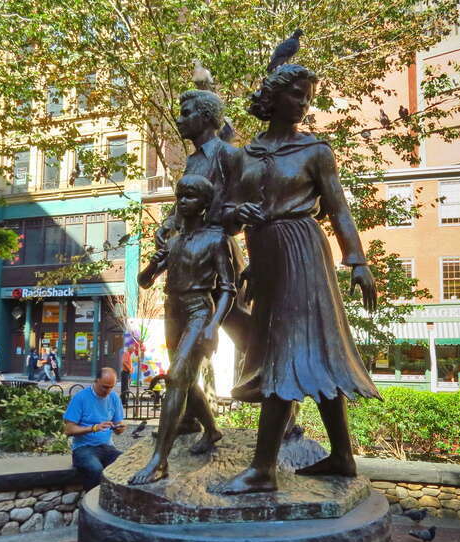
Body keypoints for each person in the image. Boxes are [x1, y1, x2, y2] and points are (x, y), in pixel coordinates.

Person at [217, 64, 379, 495]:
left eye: (308, 97)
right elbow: (226, 216)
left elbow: (339, 208)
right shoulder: (245, 155)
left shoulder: (315, 151)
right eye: (296, 94)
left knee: (287, 350)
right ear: (272, 98)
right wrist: (237, 214)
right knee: (311, 351)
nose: (304, 103)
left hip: (302, 250)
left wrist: (357, 259)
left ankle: (263, 468)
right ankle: (342, 457)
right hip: (266, 257)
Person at [156, 88, 251, 435]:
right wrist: (169, 226)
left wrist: (218, 218)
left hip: (217, 256)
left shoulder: (230, 155)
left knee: (247, 337)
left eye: (185, 112)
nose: (179, 118)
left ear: (207, 117)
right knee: (179, 351)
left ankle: (282, 412)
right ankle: (191, 418)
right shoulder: (194, 161)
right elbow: (183, 202)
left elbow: (244, 211)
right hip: (189, 254)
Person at [130, 174, 232, 485]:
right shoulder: (173, 242)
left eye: (189, 196)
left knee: (176, 378)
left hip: (199, 310)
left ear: (203, 203)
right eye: (180, 195)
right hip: (171, 311)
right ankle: (212, 430)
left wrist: (214, 326)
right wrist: (154, 261)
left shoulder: (217, 239)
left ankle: (159, 460)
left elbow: (228, 288)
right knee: (185, 377)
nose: (182, 201)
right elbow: (145, 282)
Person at [63, 368, 126, 491]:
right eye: (104, 387)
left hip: (107, 447)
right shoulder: (81, 398)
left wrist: (119, 428)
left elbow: (118, 427)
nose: (108, 391)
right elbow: (69, 430)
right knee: (95, 469)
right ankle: (91, 502)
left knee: (126, 463)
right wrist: (94, 428)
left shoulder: (114, 397)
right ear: (96, 381)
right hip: (83, 448)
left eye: (111, 387)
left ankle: (118, 501)